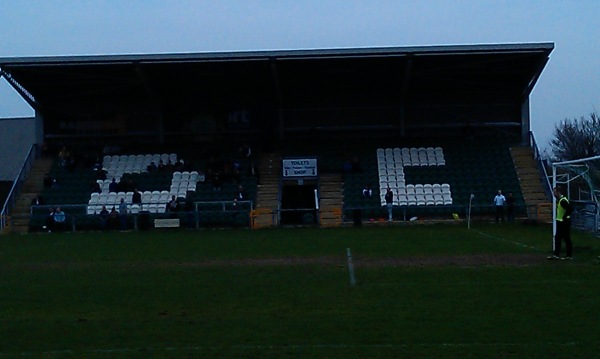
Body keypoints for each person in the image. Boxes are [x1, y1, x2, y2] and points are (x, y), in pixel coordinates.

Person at [548, 186, 573, 260]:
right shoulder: (560, 200)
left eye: (554, 192)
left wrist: (564, 217)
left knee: (566, 238)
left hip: (564, 222)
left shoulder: (563, 201)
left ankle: (569, 255)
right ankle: (556, 254)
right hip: (560, 221)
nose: (553, 193)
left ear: (558, 192)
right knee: (558, 238)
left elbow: (570, 209)